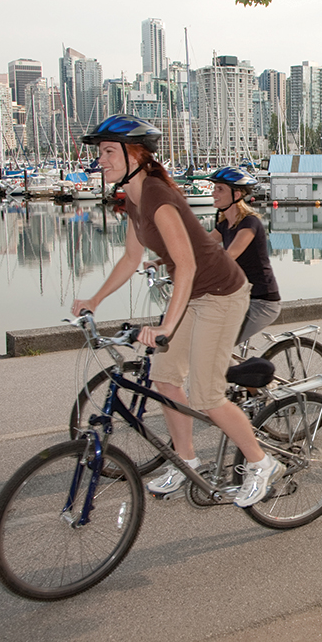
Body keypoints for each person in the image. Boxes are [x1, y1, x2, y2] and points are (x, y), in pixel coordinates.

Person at [70, 114, 284, 506]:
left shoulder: (155, 194)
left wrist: (166, 326)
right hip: (195, 295)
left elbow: (185, 265)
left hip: (221, 293)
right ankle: (186, 459)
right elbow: (130, 259)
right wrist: (93, 301)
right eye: (99, 152)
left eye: (107, 151)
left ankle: (262, 462)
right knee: (166, 379)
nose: (100, 159)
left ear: (135, 155)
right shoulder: (132, 199)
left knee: (206, 394)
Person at [207, 166, 282, 345]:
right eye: (214, 188)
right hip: (238, 298)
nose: (213, 193)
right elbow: (199, 246)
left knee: (221, 345)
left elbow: (229, 256)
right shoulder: (224, 225)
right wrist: (163, 260)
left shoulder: (249, 223)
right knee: (207, 338)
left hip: (262, 301)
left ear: (237, 195)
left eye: (220, 189)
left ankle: (251, 373)